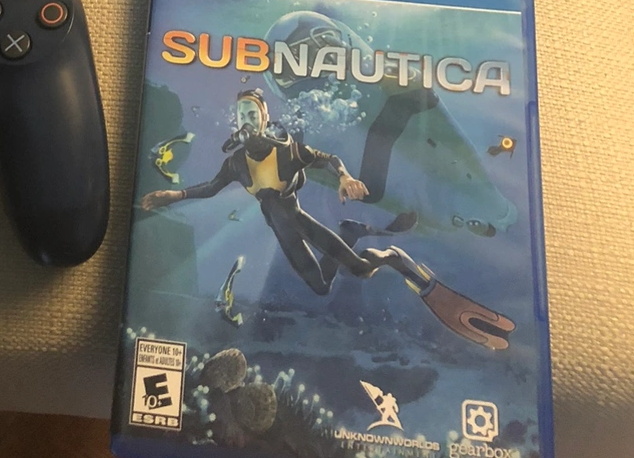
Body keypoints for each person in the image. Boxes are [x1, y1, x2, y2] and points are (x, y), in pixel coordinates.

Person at [141, 89, 514, 349]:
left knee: (361, 270)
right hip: (285, 233)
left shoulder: (286, 150)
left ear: (265, 116)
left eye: (253, 114)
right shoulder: (236, 162)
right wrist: (174, 195)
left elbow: (326, 159)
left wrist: (346, 177)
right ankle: (351, 232)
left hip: (301, 222)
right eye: (242, 115)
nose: (247, 120)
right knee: (320, 287)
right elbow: (210, 188)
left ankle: (394, 258)